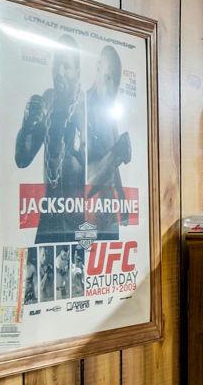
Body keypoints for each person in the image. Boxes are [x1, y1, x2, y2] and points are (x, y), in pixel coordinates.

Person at [13, 47, 87, 244]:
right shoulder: (48, 99)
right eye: (57, 65)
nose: (59, 72)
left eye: (66, 67)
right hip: (50, 214)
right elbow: (22, 159)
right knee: (35, 274)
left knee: (80, 272)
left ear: (78, 73)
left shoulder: (86, 106)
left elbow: (96, 173)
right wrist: (27, 127)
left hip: (80, 216)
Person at [83, 43, 133, 238]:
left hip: (109, 210)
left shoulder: (108, 114)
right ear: (97, 69)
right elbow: (86, 178)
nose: (111, 88)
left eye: (116, 82)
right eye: (108, 78)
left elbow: (114, 165)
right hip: (86, 212)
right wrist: (117, 152)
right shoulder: (82, 108)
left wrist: (122, 201)